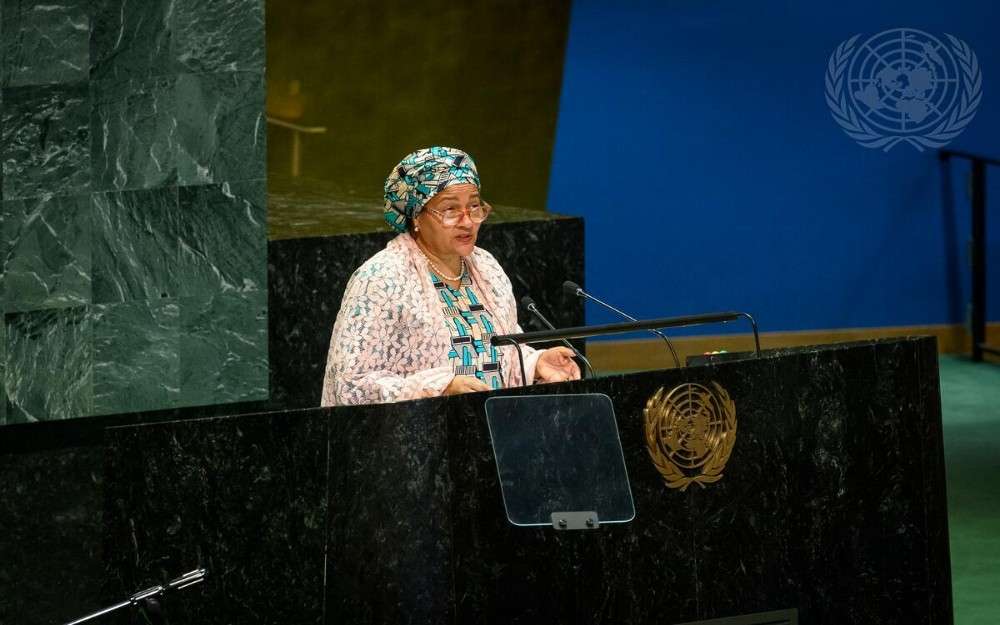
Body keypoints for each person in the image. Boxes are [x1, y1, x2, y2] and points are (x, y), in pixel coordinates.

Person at [321, 146, 580, 406]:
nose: (467, 222)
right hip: (415, 439)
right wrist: (440, 388)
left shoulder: (486, 267)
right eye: (450, 210)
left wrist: (536, 363)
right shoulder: (380, 278)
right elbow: (350, 385)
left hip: (490, 432)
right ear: (416, 217)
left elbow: (499, 354)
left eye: (474, 207)